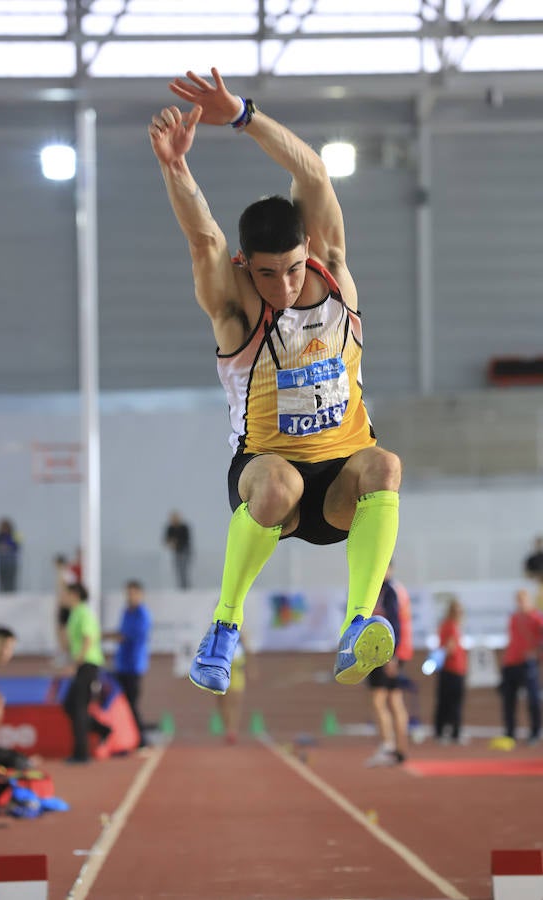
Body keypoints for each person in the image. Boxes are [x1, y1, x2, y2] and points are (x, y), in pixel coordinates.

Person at [149, 68, 401, 695]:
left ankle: (357, 625)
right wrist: (176, 168)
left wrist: (241, 114)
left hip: (340, 477)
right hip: (269, 479)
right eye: (268, 275)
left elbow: (313, 174)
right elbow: (202, 236)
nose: (285, 288)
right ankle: (223, 628)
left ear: (305, 253)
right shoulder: (235, 308)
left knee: (385, 466)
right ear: (246, 267)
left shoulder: (333, 272)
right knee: (280, 480)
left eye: (292, 270)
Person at [364, 562, 411, 766]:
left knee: (378, 700)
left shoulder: (389, 591)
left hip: (386, 652)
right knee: (394, 700)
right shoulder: (392, 589)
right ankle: (401, 749)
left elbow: (395, 623)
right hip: (395, 651)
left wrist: (392, 656)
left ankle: (387, 747)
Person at [61, 582, 111, 763]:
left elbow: (88, 639)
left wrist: (76, 664)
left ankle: (81, 753)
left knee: (79, 707)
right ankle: (101, 729)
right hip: (82, 664)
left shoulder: (84, 613)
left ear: (74, 594)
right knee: (69, 705)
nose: (63, 597)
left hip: (88, 664)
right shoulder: (74, 613)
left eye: (66, 593)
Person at [103, 580, 153, 747]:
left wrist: (103, 636)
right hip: (122, 664)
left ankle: (142, 740)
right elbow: (121, 633)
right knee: (122, 703)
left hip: (134, 666)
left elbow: (126, 636)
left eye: (132, 593)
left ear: (140, 594)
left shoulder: (142, 615)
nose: (129, 597)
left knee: (132, 704)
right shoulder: (126, 612)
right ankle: (130, 737)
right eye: (127, 593)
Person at [499, 588, 543, 745]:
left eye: (523, 599)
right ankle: (510, 733)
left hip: (527, 665)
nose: (520, 602)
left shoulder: (536, 618)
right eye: (518, 599)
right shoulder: (514, 618)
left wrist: (537, 654)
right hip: (511, 663)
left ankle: (535, 732)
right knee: (508, 700)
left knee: (533, 700)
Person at [433, 596, 468, 744]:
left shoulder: (445, 625)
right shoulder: (452, 626)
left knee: (444, 701)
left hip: (450, 669)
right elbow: (450, 647)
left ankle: (441, 731)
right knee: (454, 702)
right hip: (453, 669)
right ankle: (454, 733)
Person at [0, 517, 21, 592]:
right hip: (1, 562)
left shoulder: (15, 535)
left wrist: (7, 546)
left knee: (11, 580)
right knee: (2, 580)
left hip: (11, 562)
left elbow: (18, 546)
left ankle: (12, 594)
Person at [163, 511, 193, 589]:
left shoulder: (183, 527)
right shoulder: (170, 528)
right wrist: (171, 543)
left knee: (183, 568)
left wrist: (176, 542)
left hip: (185, 550)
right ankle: (181, 586)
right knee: (178, 569)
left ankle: (185, 586)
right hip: (176, 551)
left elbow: (186, 540)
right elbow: (166, 540)